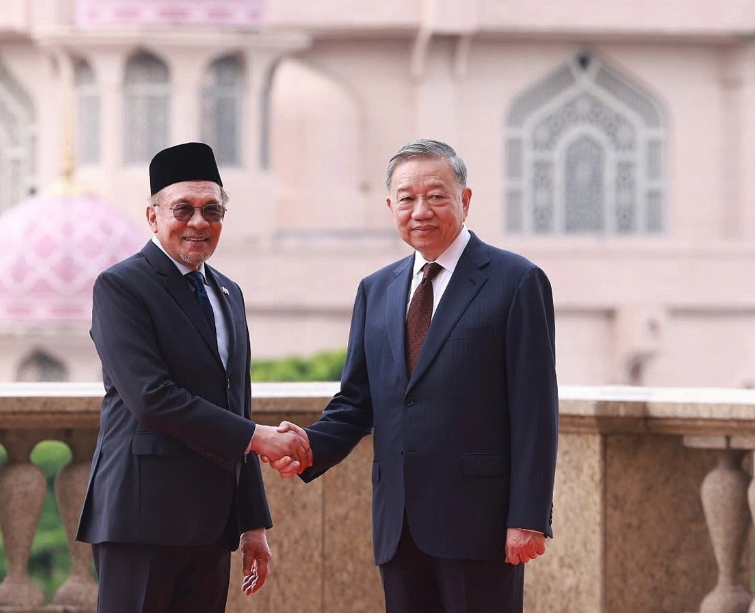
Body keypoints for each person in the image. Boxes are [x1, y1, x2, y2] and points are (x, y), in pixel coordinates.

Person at [267, 139, 558, 613]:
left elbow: (536, 411)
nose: (420, 210)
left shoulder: (516, 281)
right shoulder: (376, 289)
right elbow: (356, 402)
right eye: (407, 198)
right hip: (398, 526)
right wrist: (309, 445)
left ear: (465, 200)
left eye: (437, 196)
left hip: (480, 524)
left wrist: (527, 517)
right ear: (390, 206)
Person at [76, 142, 312, 613]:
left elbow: (235, 406)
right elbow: (152, 398)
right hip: (140, 520)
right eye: (183, 208)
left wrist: (252, 524)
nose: (199, 222)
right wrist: (260, 437)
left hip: (210, 524)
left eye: (212, 210)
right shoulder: (122, 287)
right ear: (153, 216)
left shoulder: (228, 293)